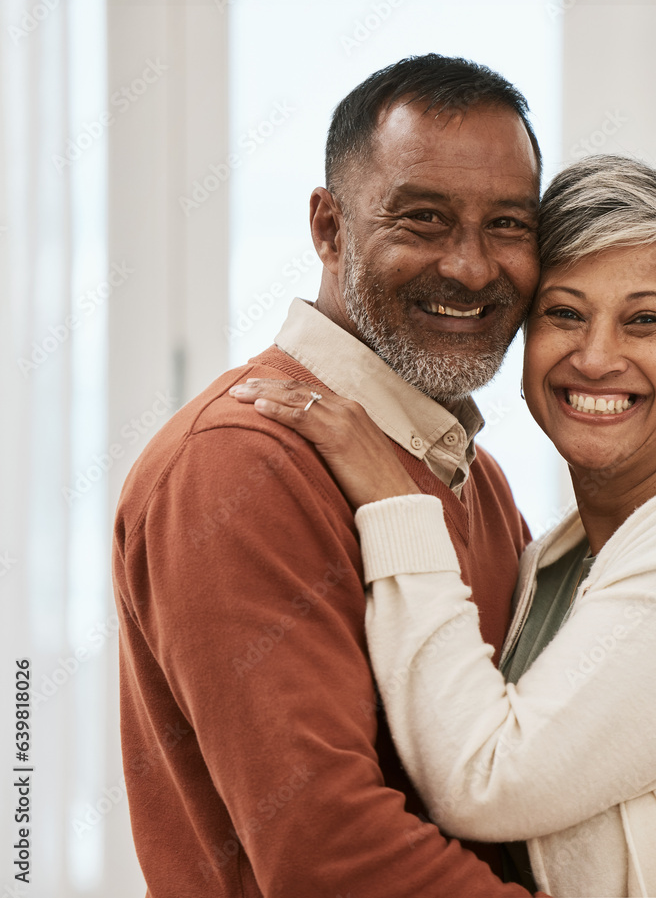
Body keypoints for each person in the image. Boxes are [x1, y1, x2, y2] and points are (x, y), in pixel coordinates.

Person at [232, 154, 656, 897]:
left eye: (645, 320)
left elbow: (484, 779)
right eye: (564, 313)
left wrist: (397, 503)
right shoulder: (556, 560)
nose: (595, 356)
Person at [112, 54, 550, 896]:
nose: (470, 266)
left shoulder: (475, 477)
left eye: (508, 225)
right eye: (423, 219)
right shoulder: (235, 466)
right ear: (328, 227)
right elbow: (332, 856)